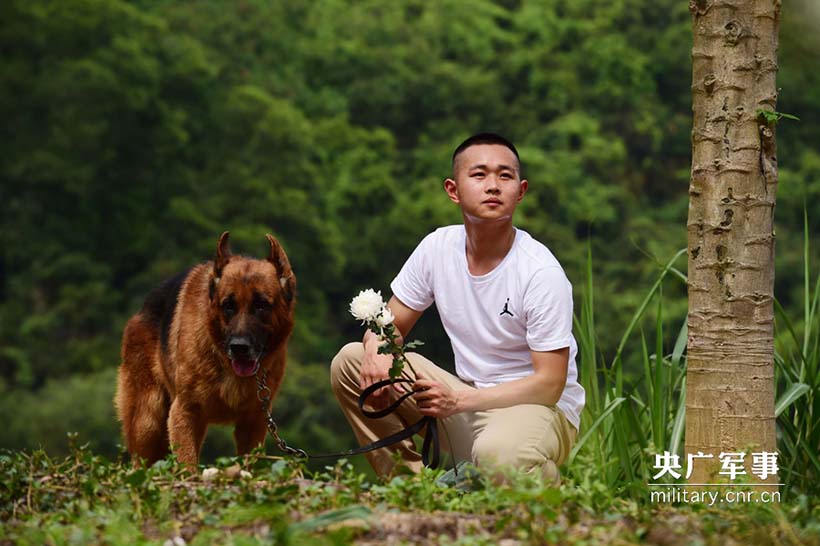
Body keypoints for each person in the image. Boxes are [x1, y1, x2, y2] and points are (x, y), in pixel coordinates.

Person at [330, 133, 585, 484]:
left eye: (505, 176)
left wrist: (461, 399)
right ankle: (410, 487)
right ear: (453, 190)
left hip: (537, 411)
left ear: (521, 191)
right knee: (352, 361)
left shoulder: (540, 272)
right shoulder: (437, 248)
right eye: (479, 175)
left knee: (501, 455)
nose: (493, 186)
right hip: (465, 404)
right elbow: (389, 325)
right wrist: (377, 349)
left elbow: (550, 384)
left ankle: (545, 493)